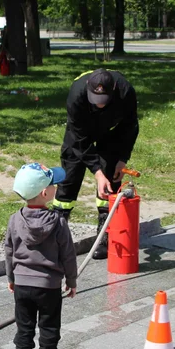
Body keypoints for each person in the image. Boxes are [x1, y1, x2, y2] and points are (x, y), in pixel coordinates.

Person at [51, 68, 139, 260]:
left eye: (103, 100)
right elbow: (79, 139)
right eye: (95, 100)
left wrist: (122, 158)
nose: (99, 105)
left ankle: (105, 235)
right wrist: (96, 172)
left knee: (110, 180)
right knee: (70, 176)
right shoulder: (77, 94)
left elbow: (130, 126)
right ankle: (57, 235)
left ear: (113, 90)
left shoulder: (125, 91)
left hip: (112, 131)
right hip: (81, 131)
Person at [4, 162, 78, 349]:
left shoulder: (15, 219)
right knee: (49, 324)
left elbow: (9, 251)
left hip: (23, 285)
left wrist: (11, 278)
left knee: (24, 325)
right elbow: (68, 255)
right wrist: (71, 280)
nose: (57, 188)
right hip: (49, 286)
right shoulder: (58, 222)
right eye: (54, 184)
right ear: (45, 193)